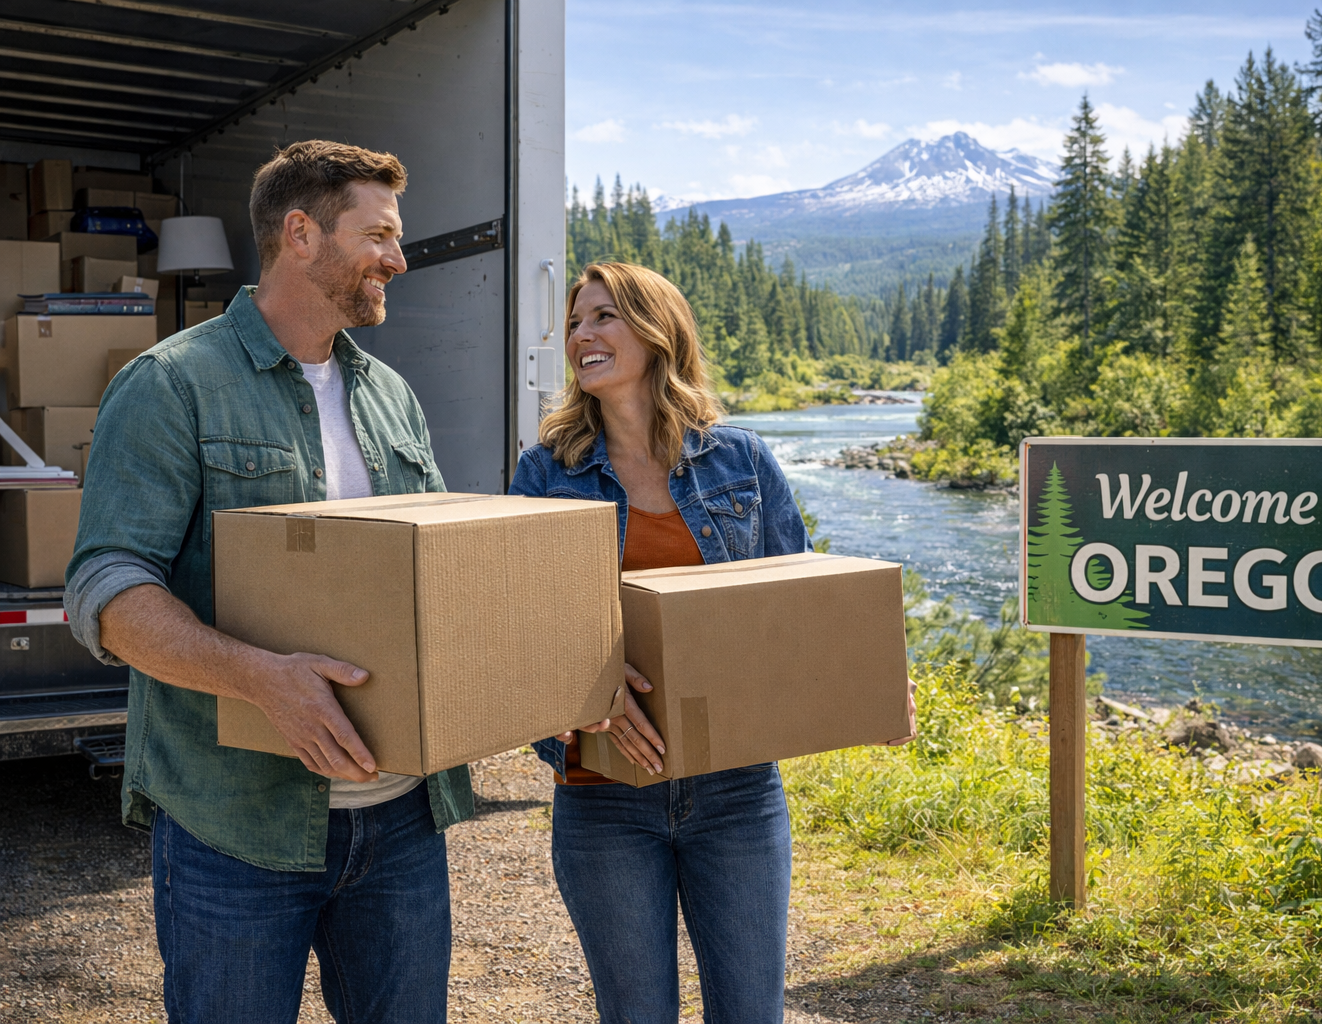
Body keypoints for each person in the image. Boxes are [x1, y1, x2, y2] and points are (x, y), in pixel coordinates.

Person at [63, 140, 472, 1024]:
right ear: (300, 234)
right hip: (236, 825)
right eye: (380, 236)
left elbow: (440, 571)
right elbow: (106, 587)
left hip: (401, 821)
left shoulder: (391, 395)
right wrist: (261, 680)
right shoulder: (171, 384)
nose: (399, 260)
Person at [511, 261, 916, 1023]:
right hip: (604, 796)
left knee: (751, 1011)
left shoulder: (741, 460)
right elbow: (516, 630)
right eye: (574, 322)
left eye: (603, 316)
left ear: (657, 332)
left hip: (736, 791)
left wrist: (872, 681)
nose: (581, 335)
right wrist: (584, 694)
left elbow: (799, 602)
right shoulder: (545, 473)